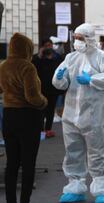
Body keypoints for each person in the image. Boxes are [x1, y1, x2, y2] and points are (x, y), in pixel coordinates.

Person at [52, 23, 104, 203]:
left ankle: (101, 190)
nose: (77, 42)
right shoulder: (71, 58)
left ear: (89, 39)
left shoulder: (102, 57)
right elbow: (61, 83)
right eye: (75, 38)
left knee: (96, 151)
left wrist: (92, 79)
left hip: (93, 115)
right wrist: (59, 77)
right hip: (70, 114)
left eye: (80, 39)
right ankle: (75, 187)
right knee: (73, 151)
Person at [0, 33, 48, 203]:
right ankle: (24, 201)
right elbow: (32, 97)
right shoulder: (28, 67)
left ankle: (10, 200)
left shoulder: (3, 66)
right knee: (28, 163)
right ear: (26, 48)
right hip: (28, 117)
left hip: (9, 117)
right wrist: (44, 103)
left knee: (12, 163)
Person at [32, 38, 64, 138]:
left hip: (53, 89)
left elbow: (62, 67)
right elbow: (33, 68)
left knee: (50, 110)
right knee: (41, 110)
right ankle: (41, 130)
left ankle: (48, 129)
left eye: (50, 45)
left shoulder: (57, 57)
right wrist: (39, 56)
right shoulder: (38, 58)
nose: (48, 47)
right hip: (41, 89)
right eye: (46, 45)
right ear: (42, 47)